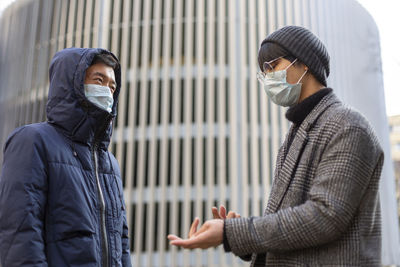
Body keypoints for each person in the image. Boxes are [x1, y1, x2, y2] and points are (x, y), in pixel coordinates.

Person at [168, 25, 384, 266]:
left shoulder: (348, 126)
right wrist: (243, 239)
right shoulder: (296, 132)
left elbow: (324, 217)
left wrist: (234, 232)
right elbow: (294, 229)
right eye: (264, 71)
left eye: (273, 66)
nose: (269, 77)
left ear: (305, 64)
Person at [0, 48, 132, 267]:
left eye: (112, 86)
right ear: (74, 82)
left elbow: (122, 242)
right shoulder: (33, 140)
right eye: (98, 80)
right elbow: (20, 233)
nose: (107, 91)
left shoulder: (109, 162)